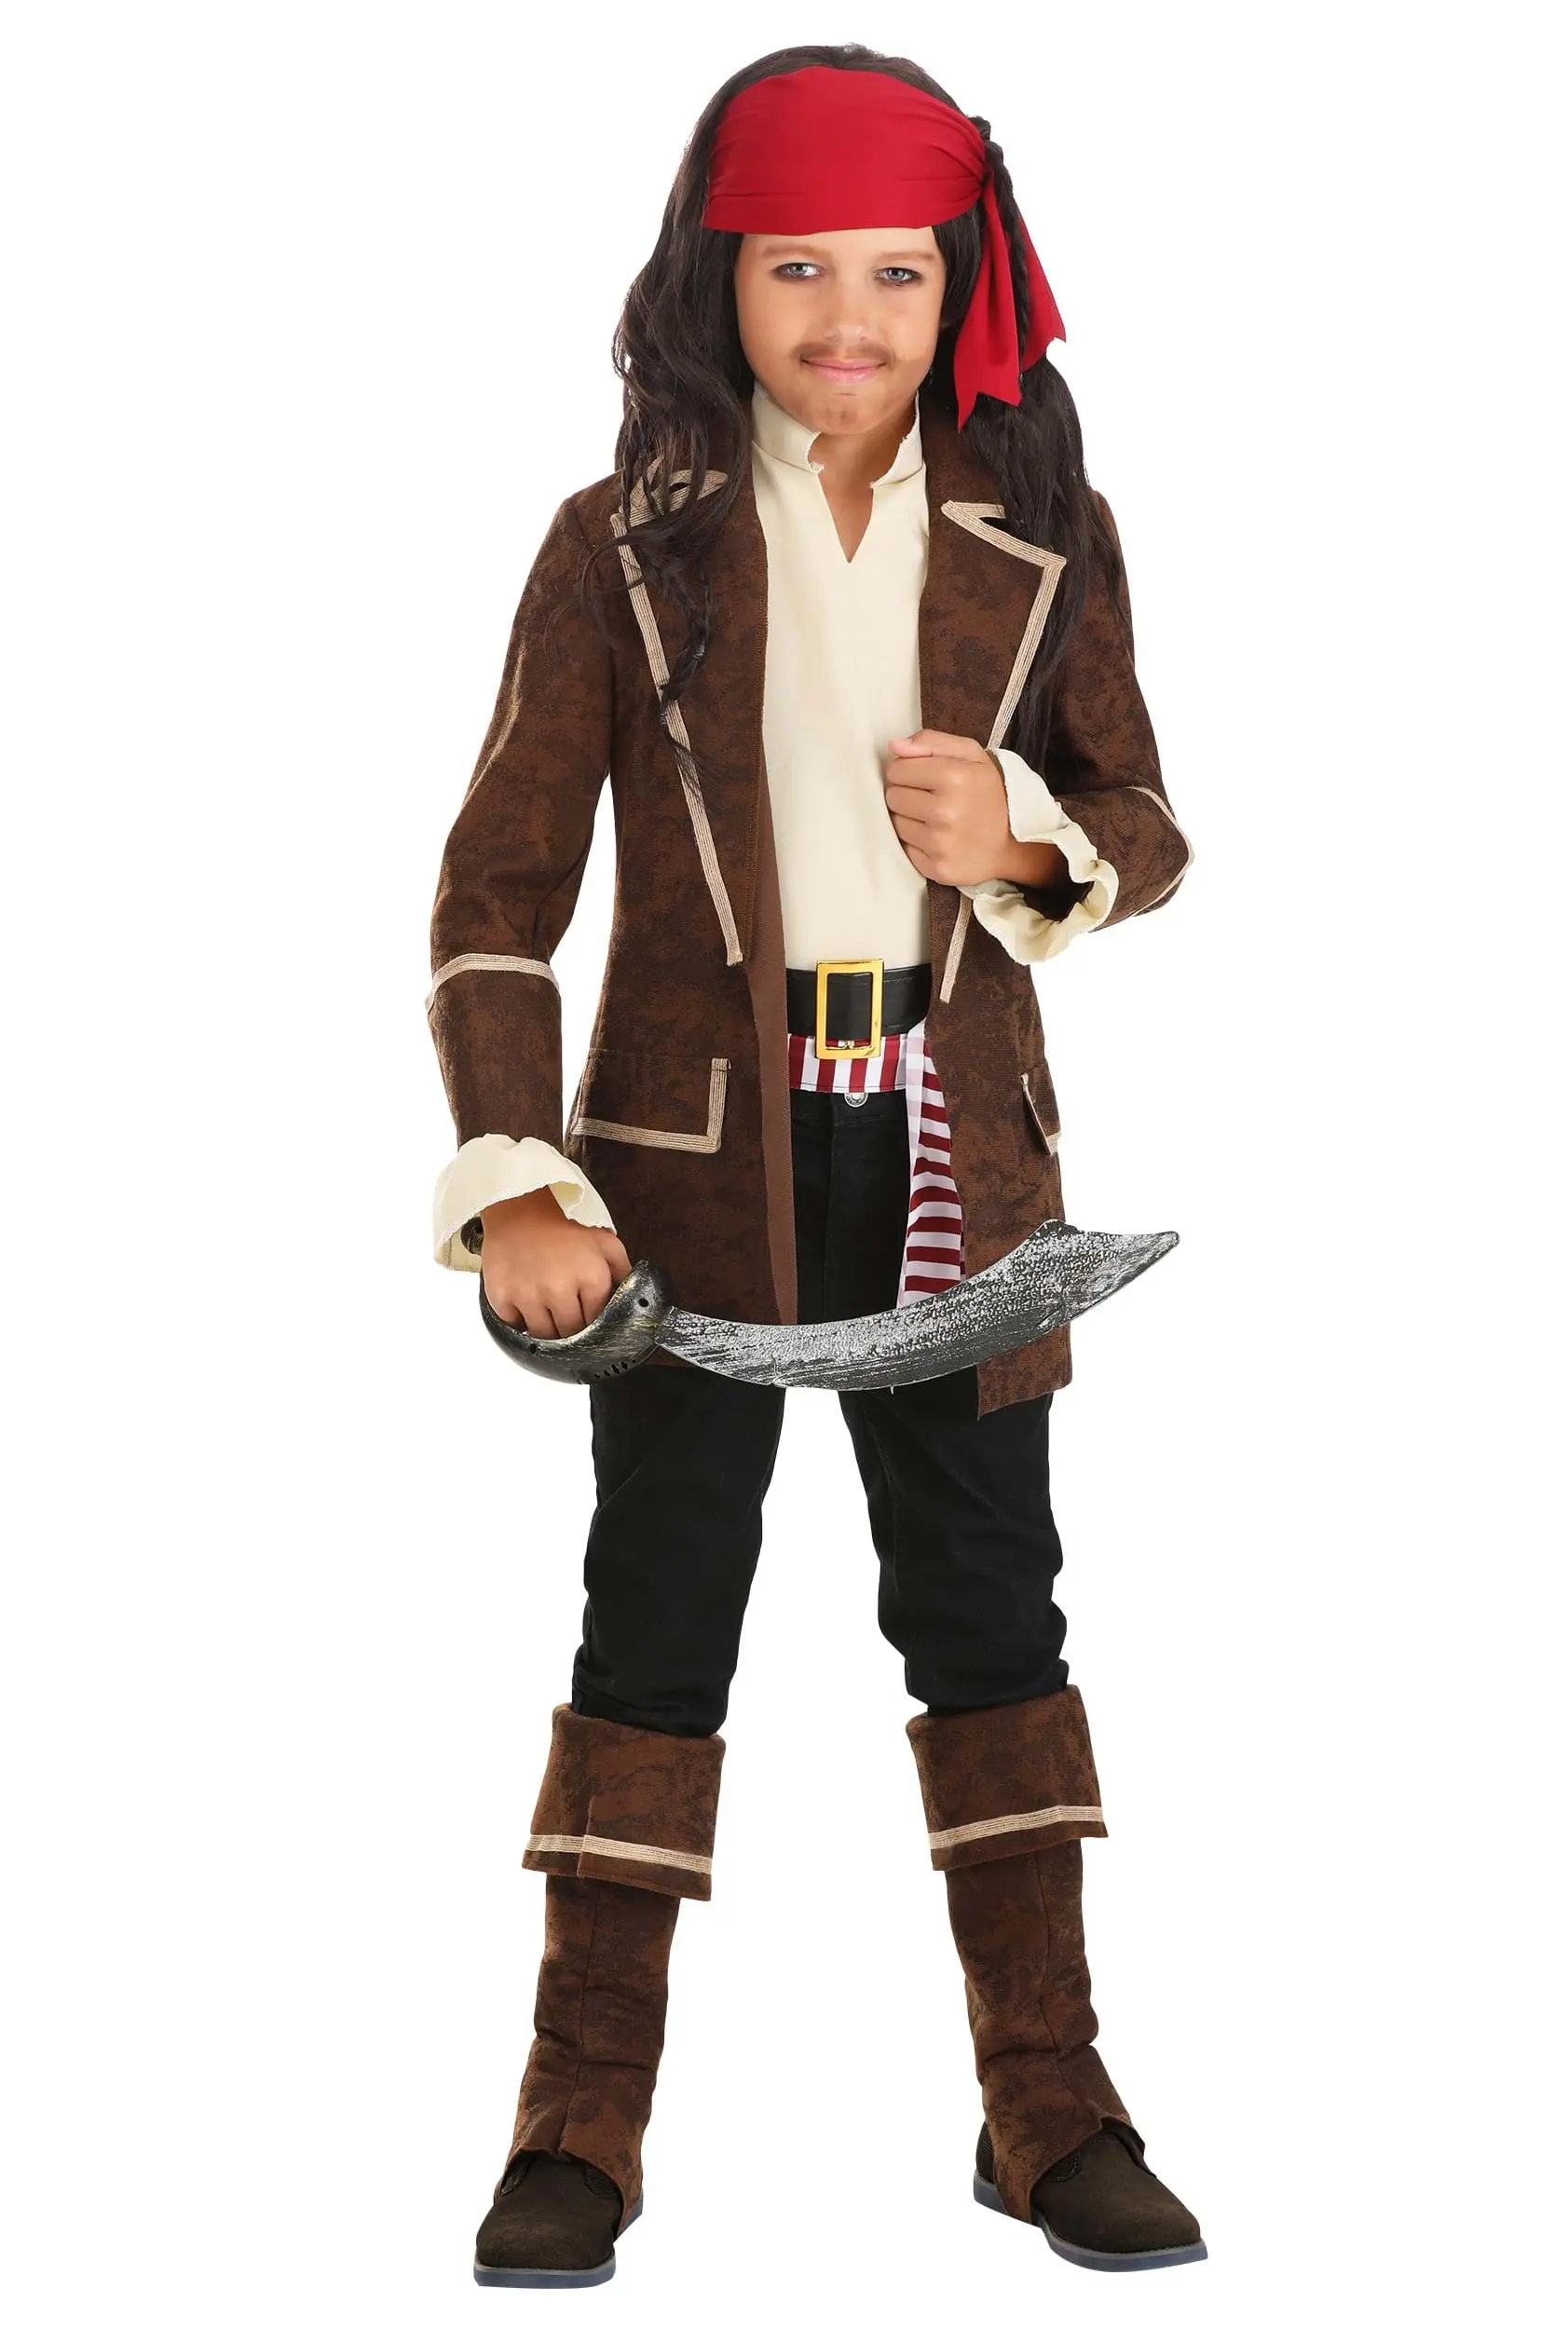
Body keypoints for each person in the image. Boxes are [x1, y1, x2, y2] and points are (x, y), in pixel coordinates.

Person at [426, 43, 1200, 2288]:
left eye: (892, 270)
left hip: (957, 1154)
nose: (845, 316)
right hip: (684, 1171)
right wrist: (516, 1170)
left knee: (991, 1615)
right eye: (795, 268)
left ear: (956, 282)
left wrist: (1027, 837)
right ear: (718, 278)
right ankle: (577, 2112)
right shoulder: (617, 546)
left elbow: (1144, 823)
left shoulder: (1039, 535)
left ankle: (1047, 2101)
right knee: (653, 1618)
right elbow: (495, 892)